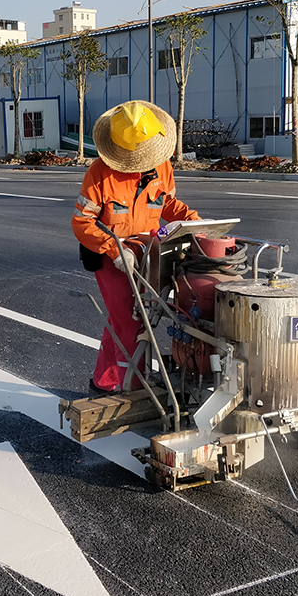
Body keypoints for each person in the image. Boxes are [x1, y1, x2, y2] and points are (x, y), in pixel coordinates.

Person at [72, 100, 201, 395]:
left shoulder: (162, 166)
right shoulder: (100, 174)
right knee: (131, 323)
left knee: (124, 320)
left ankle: (103, 382)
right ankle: (136, 388)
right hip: (113, 259)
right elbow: (82, 223)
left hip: (150, 253)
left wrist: (197, 223)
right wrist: (116, 250)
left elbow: (167, 203)